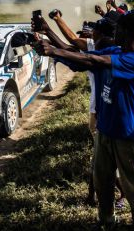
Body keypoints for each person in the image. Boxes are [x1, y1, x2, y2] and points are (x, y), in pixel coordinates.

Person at [34, 10, 134, 231]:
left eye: (119, 29)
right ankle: (106, 219)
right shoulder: (114, 51)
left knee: (130, 181)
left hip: (124, 132)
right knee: (102, 178)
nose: (115, 33)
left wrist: (53, 50)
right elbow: (77, 55)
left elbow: (91, 59)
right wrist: (47, 35)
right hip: (104, 129)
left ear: (127, 32)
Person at [36, 11, 127, 207]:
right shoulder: (101, 50)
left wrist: (53, 32)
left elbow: (76, 52)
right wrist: (48, 33)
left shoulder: (115, 55)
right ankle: (93, 197)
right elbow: (72, 51)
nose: (91, 37)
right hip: (100, 113)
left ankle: (122, 196)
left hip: (113, 118)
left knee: (108, 163)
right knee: (99, 160)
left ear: (108, 36)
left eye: (95, 34)